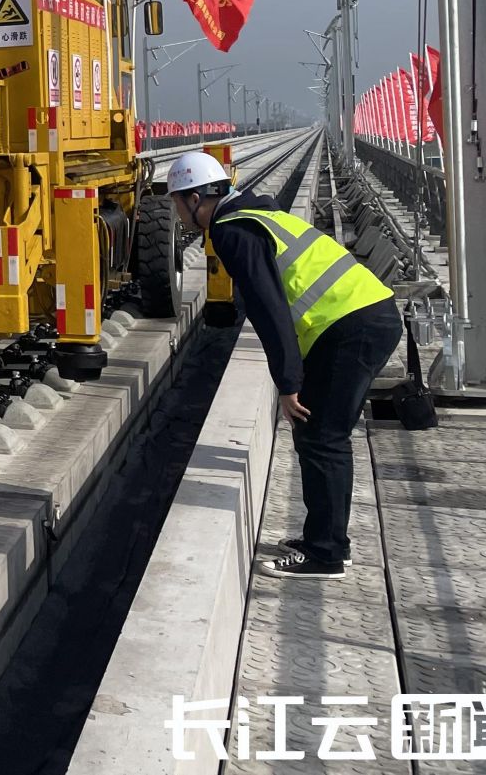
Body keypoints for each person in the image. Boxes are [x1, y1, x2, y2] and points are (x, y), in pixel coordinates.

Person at [167, 151, 399, 579]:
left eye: (178, 203)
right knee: (322, 434)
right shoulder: (256, 212)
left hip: (351, 327)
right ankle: (327, 540)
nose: (177, 213)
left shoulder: (232, 232)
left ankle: (326, 553)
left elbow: (269, 310)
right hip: (363, 315)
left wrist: (287, 382)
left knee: (322, 436)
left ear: (196, 198)